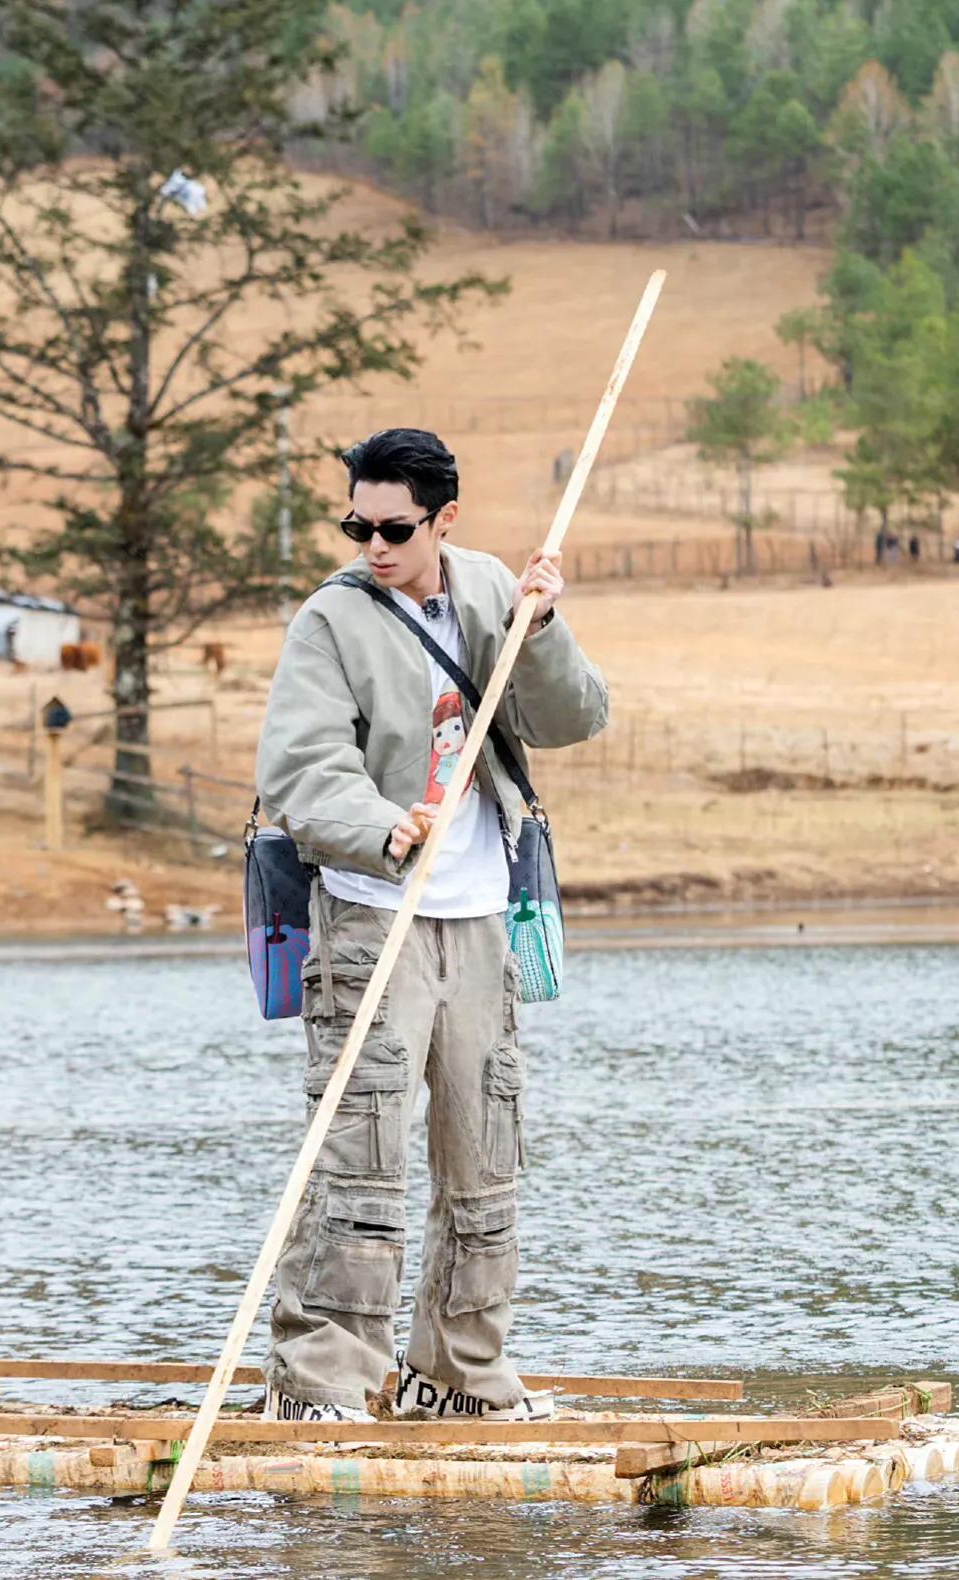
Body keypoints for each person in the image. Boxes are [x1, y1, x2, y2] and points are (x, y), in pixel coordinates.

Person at [255, 427, 609, 1427]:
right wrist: (382, 826)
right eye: (356, 524)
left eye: (394, 527)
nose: (372, 543)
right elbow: (299, 768)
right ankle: (321, 1379)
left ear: (442, 519)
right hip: (373, 918)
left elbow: (571, 716)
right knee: (358, 1156)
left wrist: (540, 630)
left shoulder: (495, 586)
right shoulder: (329, 619)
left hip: (481, 917)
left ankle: (456, 1375)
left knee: (483, 1155)